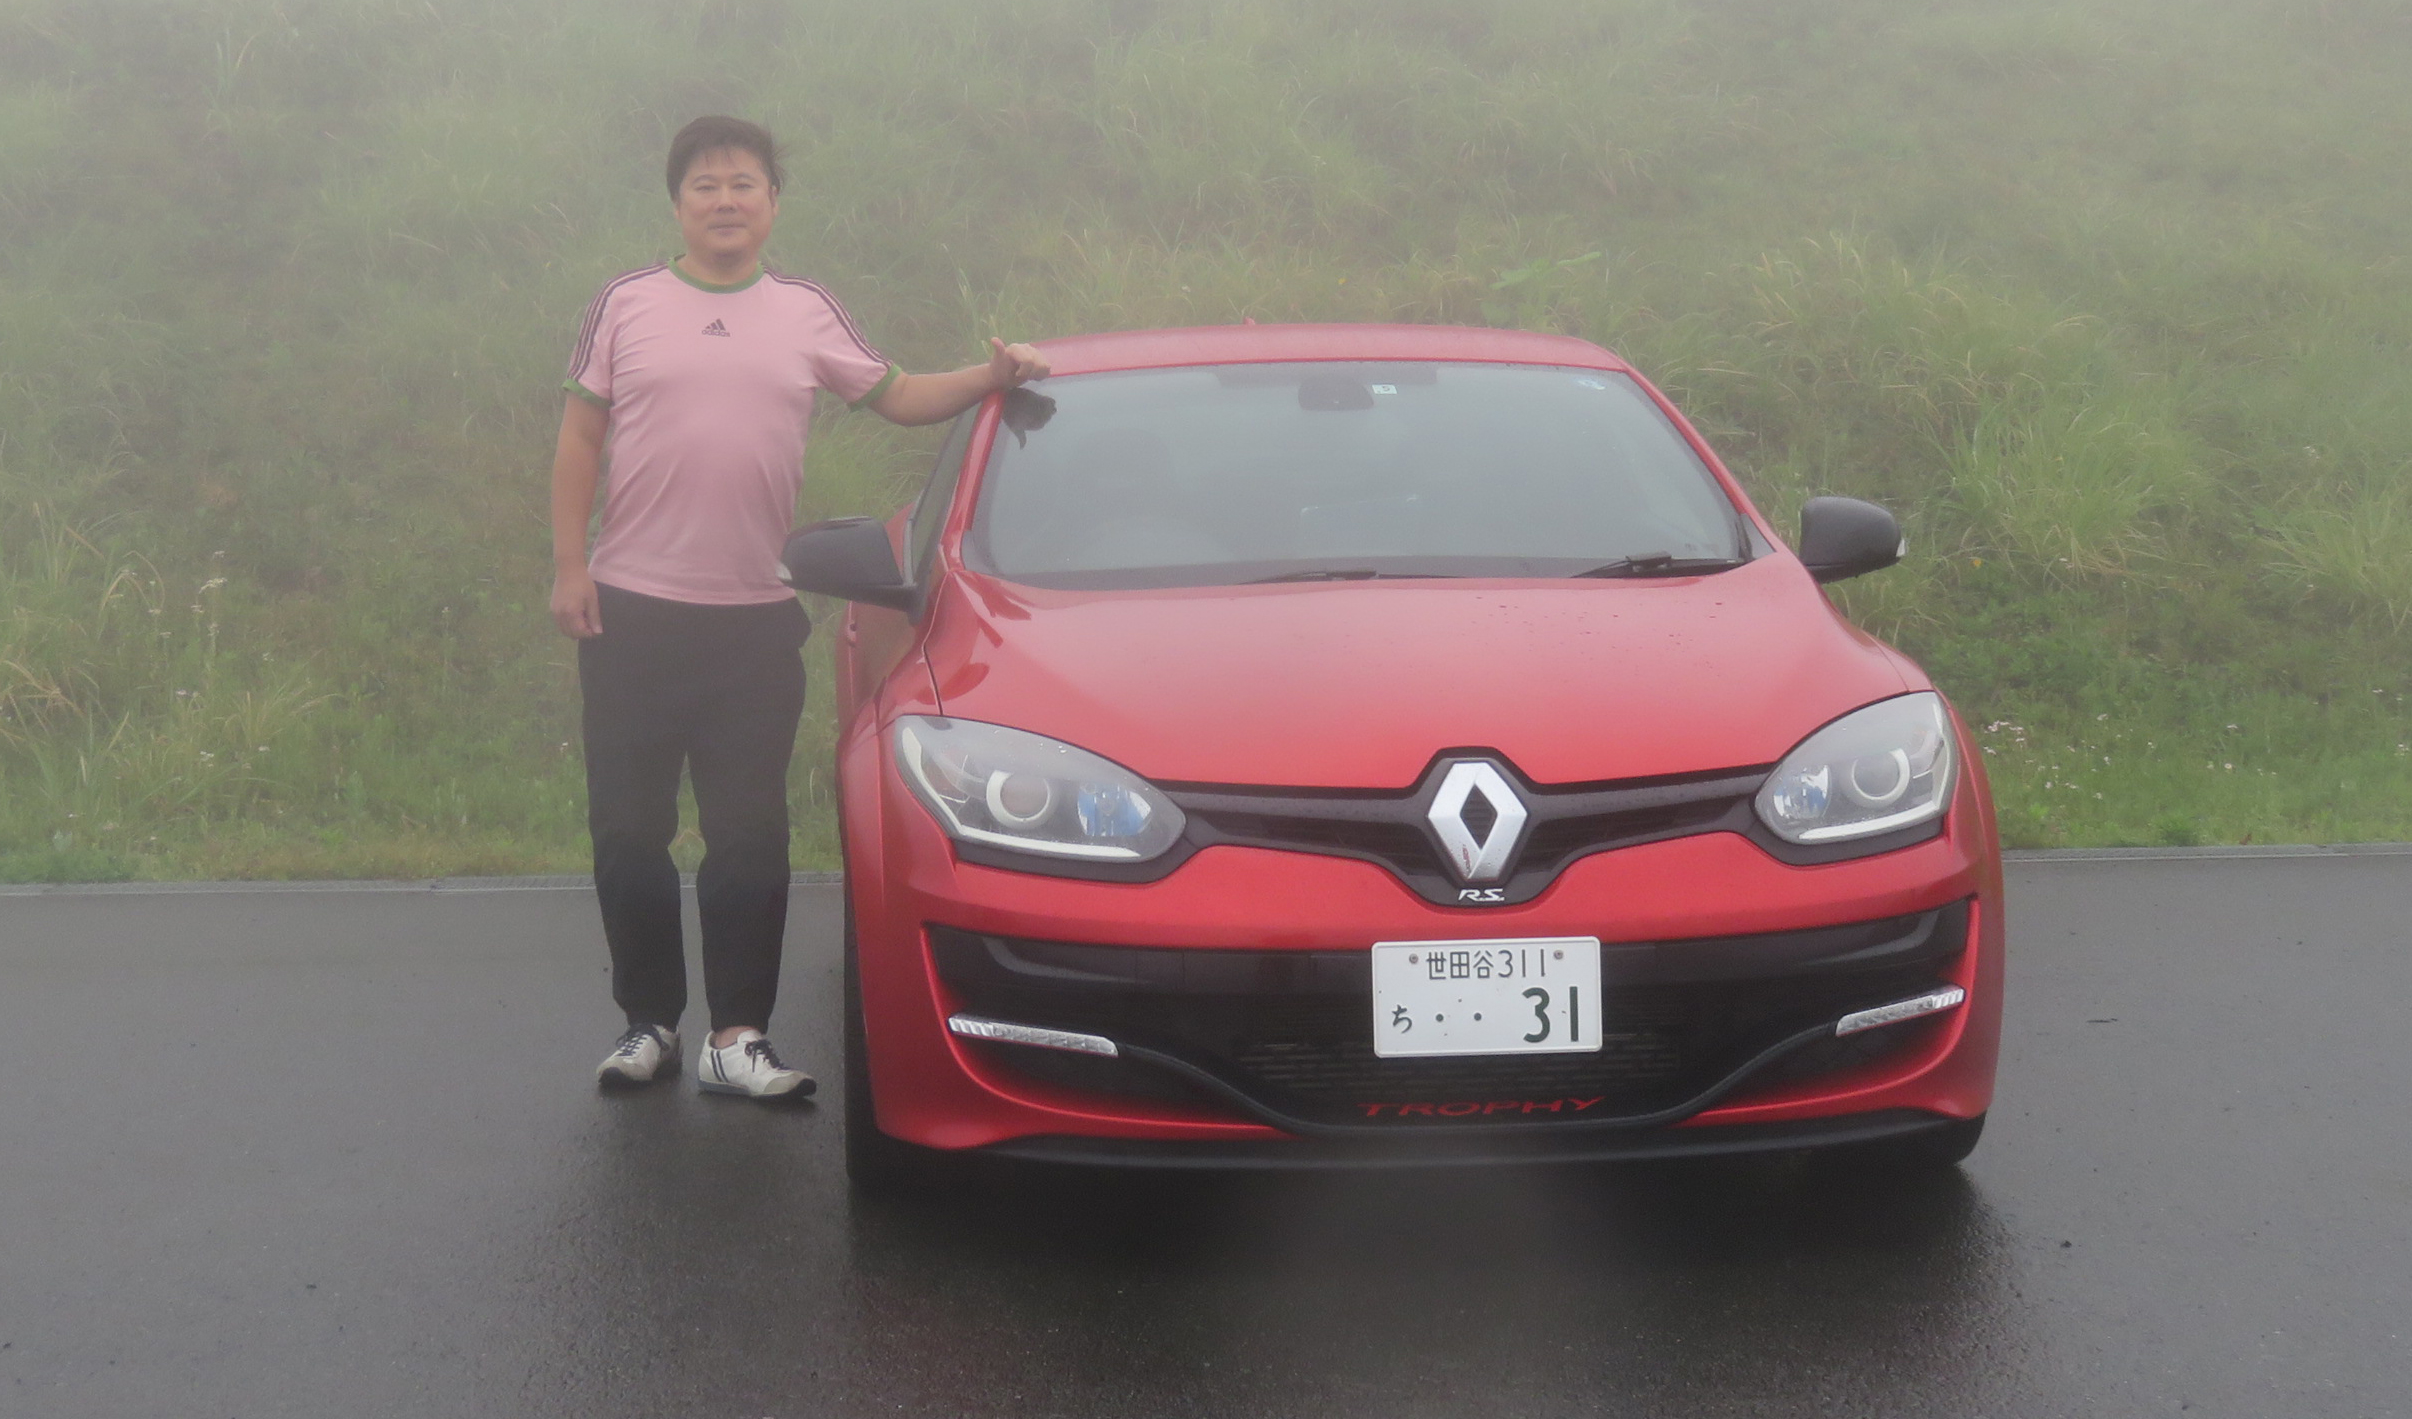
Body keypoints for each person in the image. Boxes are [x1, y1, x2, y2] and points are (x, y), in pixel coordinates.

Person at [550, 115, 1048, 1100]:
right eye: (704, 185)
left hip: (753, 621)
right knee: (629, 831)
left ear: (773, 203)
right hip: (631, 613)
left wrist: (992, 376)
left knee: (748, 834)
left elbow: (898, 394)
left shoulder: (804, 311)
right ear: (677, 204)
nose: (725, 200)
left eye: (744, 183)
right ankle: (648, 1022)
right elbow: (577, 441)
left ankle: (738, 1036)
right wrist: (572, 567)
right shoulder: (626, 303)